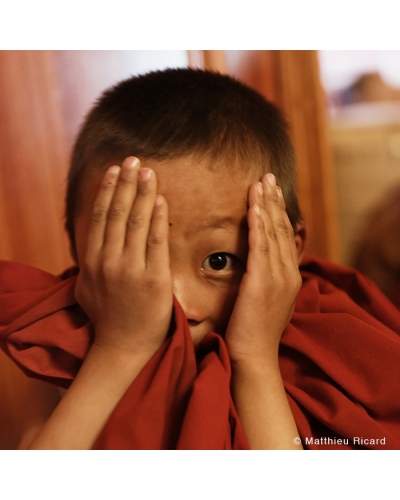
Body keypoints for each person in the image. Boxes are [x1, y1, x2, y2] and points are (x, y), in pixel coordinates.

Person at [1, 68, 399, 450]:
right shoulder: (64, 337)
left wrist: (256, 359)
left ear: (285, 253)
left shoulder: (321, 345)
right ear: (78, 249)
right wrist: (120, 348)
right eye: (137, 254)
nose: (175, 303)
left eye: (220, 261)